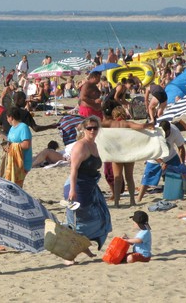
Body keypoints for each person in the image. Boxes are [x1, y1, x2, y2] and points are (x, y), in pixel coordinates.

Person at [64, 116, 112, 258]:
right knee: (78, 223)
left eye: (95, 128)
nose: (92, 130)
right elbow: (73, 170)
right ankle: (68, 254)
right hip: (77, 186)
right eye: (89, 128)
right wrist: (72, 190)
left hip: (90, 186)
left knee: (99, 217)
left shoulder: (95, 145)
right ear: (84, 129)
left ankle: (84, 248)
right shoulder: (81, 146)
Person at [101, 106, 154, 207]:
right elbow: (141, 126)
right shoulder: (128, 123)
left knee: (117, 178)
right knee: (129, 178)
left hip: (117, 153)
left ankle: (116, 202)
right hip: (129, 153)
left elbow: (96, 124)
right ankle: (132, 201)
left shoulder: (111, 123)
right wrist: (149, 124)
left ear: (114, 115)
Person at [138, 120, 186, 201]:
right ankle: (139, 198)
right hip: (154, 158)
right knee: (147, 179)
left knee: (183, 172)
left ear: (169, 130)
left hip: (171, 155)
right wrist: (161, 163)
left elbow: (181, 148)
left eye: (166, 134)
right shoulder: (154, 132)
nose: (164, 136)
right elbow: (152, 152)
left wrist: (182, 163)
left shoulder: (174, 130)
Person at [1, 106, 32, 187]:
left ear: (11, 117)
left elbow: (27, 144)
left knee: (17, 186)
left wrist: (12, 146)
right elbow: (10, 140)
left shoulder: (23, 127)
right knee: (11, 185)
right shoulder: (12, 128)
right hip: (13, 160)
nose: (7, 120)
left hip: (22, 162)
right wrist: (0, 133)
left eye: (7, 118)